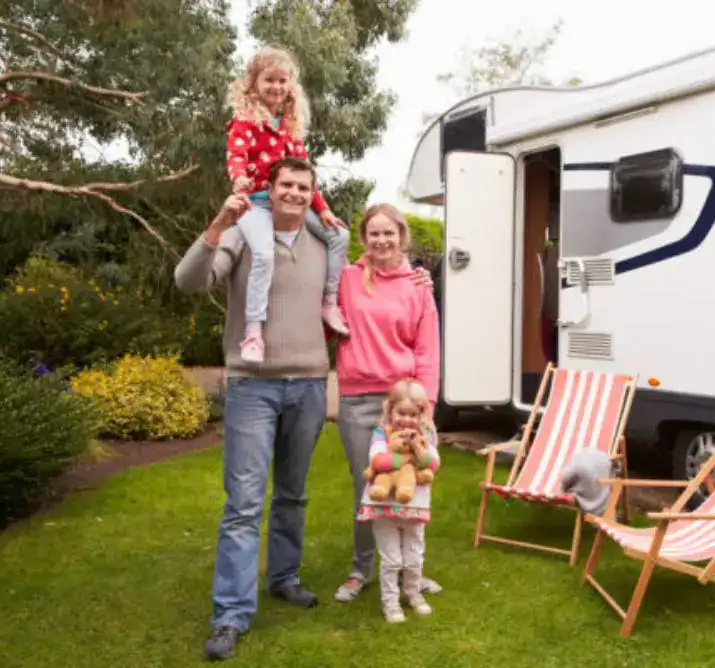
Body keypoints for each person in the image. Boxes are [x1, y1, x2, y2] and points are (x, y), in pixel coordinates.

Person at [173, 158, 432, 662]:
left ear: (312, 193)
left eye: (303, 186)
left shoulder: (324, 243)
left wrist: (416, 276)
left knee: (292, 494)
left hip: (311, 385)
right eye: (286, 185)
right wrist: (218, 224)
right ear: (270, 190)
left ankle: (284, 578)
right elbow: (189, 281)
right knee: (244, 503)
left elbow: (375, 276)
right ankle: (230, 614)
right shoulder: (245, 233)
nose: (294, 193)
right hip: (252, 386)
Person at [332, 203, 445, 603]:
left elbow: (428, 349)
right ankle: (361, 569)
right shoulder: (345, 279)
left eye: (389, 233)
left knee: (411, 484)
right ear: (363, 239)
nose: (382, 240)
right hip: (359, 399)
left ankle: (409, 569)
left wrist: (426, 404)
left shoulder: (417, 286)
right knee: (369, 483)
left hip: (406, 403)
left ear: (402, 237)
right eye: (374, 233)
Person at [224, 46, 350, 364]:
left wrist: (321, 208)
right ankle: (254, 331)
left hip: (294, 201)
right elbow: (236, 157)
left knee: (339, 235)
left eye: (283, 81)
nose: (277, 88)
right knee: (264, 255)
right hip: (258, 203)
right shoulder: (245, 122)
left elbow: (304, 171)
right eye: (269, 80)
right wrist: (239, 179)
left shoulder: (289, 127)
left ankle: (330, 303)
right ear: (253, 83)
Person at [357, 379, 441, 623]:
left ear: (421, 413)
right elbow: (379, 462)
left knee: (414, 555)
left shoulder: (425, 436)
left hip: (414, 505)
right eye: (400, 413)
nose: (406, 420)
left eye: (412, 414)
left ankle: (412, 593)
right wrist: (406, 460)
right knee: (392, 559)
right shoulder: (381, 433)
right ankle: (390, 602)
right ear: (390, 409)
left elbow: (432, 465)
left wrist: (417, 448)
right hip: (384, 506)